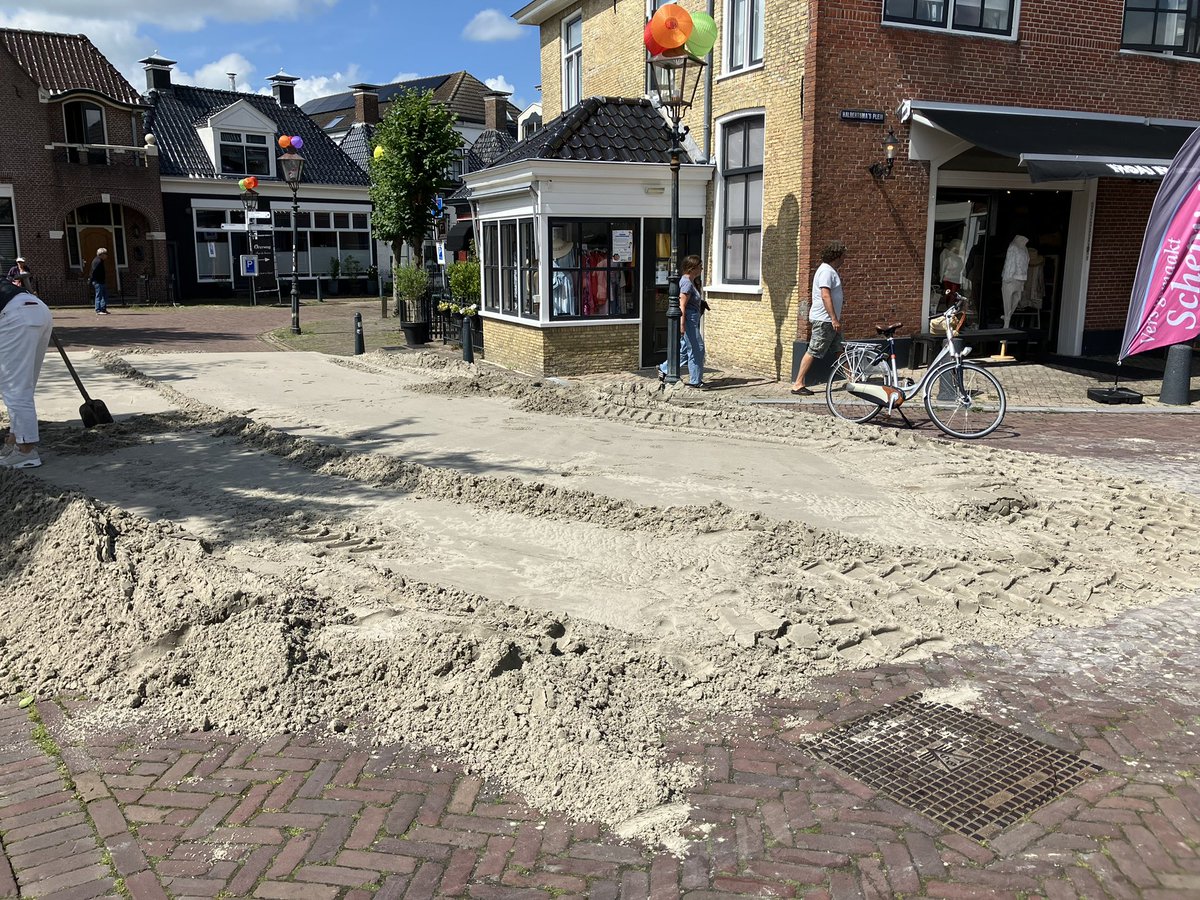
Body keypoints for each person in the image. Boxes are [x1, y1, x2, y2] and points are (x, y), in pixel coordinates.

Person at [0, 278, 54, 469]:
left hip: (14, 316)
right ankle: (14, 440)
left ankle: (26, 451)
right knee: (22, 386)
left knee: (15, 388)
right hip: (37, 309)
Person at [792, 241, 847, 395]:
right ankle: (798, 384)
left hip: (829, 321)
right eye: (843, 255)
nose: (844, 258)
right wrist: (834, 318)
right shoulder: (826, 271)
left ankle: (853, 379)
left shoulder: (829, 271)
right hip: (825, 320)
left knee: (839, 349)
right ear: (837, 256)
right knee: (814, 350)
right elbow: (825, 295)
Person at [658, 255, 706, 388]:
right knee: (697, 349)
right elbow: (682, 305)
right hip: (689, 321)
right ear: (692, 268)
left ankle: (664, 368)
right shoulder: (686, 283)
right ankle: (695, 381)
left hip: (692, 319)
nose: (702, 269)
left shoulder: (691, 281)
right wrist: (682, 324)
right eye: (700, 266)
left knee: (684, 350)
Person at [1000, 235, 1029, 328]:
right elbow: (1011, 263)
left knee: (1013, 299)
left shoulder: (1022, 248)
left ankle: (1007, 317)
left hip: (1017, 278)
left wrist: (1022, 281)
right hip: (1014, 278)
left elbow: (1025, 263)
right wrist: (1008, 277)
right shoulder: (1016, 247)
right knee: (1011, 300)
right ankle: (1007, 320)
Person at [90, 247, 110, 314]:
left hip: (101, 281)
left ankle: (103, 309)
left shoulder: (100, 261)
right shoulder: (97, 261)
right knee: (99, 296)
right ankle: (98, 310)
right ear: (101, 254)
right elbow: (93, 272)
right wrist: (93, 280)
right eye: (105, 254)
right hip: (98, 281)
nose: (106, 255)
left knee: (104, 295)